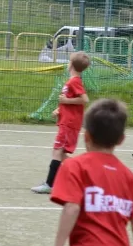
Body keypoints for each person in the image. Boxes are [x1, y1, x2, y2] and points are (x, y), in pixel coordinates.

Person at [51, 99, 133, 246]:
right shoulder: (128, 176)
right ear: (121, 140)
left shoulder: (75, 166)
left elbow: (72, 208)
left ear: (86, 136)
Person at [31, 52, 90, 194]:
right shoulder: (71, 81)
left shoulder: (75, 81)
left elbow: (84, 99)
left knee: (57, 151)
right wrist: (60, 109)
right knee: (60, 153)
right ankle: (82, 175)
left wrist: (67, 101)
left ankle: (50, 184)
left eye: (69, 61)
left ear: (71, 65)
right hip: (66, 121)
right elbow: (69, 102)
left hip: (69, 124)